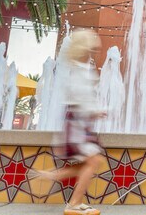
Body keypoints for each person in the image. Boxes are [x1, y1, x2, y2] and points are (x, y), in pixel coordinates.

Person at [39, 29, 106, 215]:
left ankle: (53, 177)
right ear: (83, 49)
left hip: (81, 123)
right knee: (93, 161)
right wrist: (94, 112)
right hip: (77, 123)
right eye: (91, 49)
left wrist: (94, 112)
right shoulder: (78, 70)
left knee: (92, 161)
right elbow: (79, 97)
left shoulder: (83, 68)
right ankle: (74, 204)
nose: (94, 53)